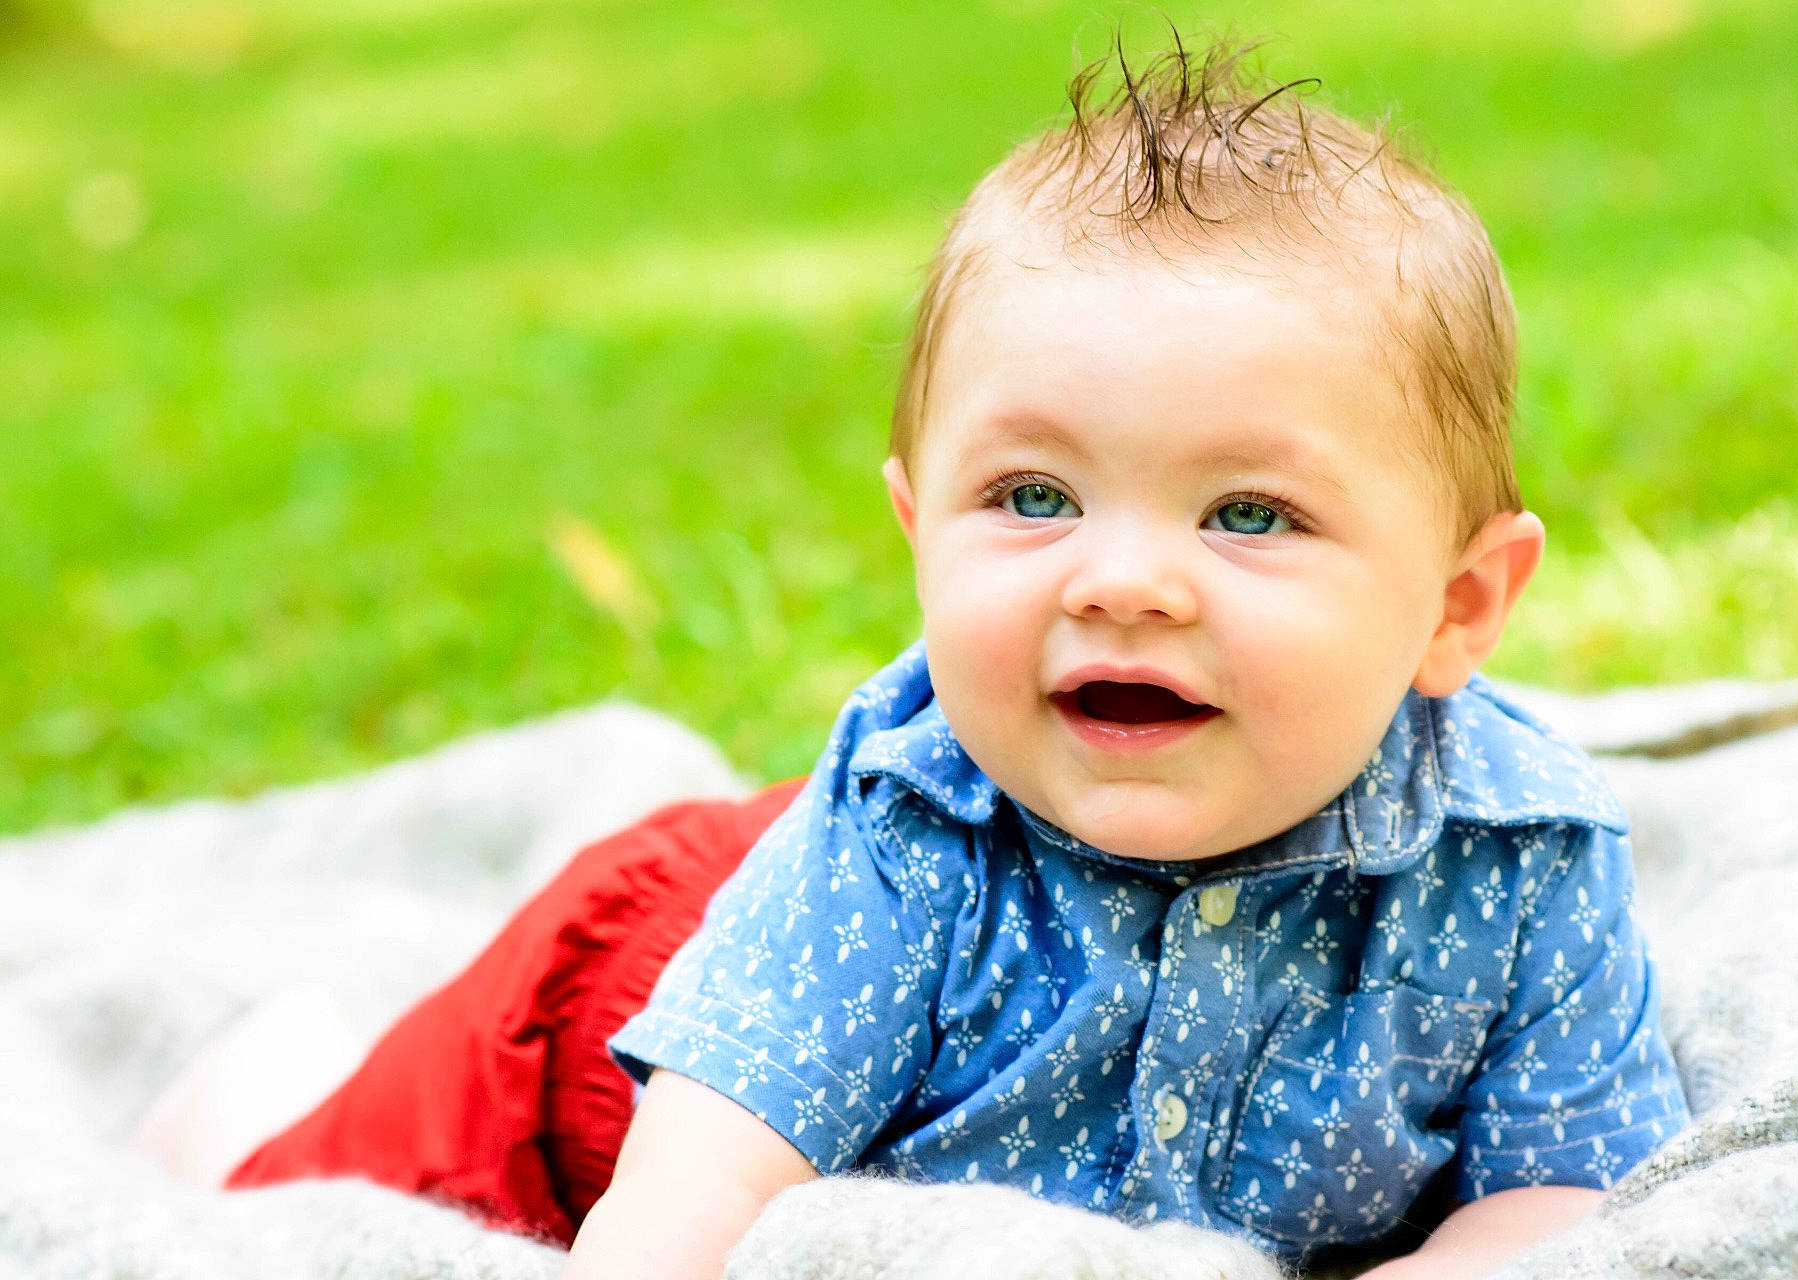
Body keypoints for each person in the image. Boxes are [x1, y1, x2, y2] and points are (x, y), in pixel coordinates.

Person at [147, 35, 1692, 1280]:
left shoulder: (1523, 858)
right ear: (915, 526)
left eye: (1249, 513)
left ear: (1458, 608)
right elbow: (688, 1195)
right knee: (307, 1206)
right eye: (1033, 497)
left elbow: (1571, 1188)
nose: (1126, 581)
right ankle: (260, 1093)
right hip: (610, 1018)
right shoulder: (903, 846)